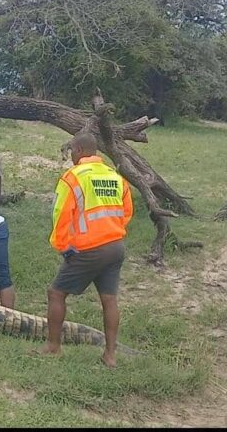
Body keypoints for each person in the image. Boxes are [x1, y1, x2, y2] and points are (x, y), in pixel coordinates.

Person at [37, 133, 133, 368]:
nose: (70, 155)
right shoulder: (115, 176)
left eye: (71, 150)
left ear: (79, 150)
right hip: (116, 246)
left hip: (89, 248)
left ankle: (53, 347)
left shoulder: (73, 177)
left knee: (56, 293)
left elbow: (60, 214)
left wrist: (62, 245)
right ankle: (110, 356)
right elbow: (127, 212)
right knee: (109, 300)